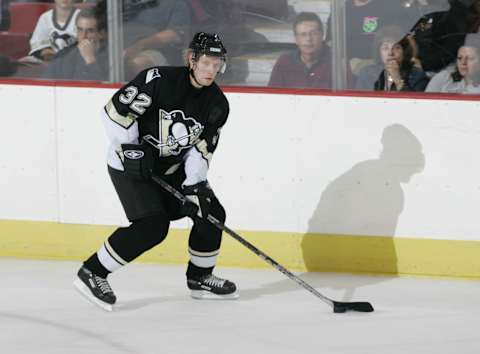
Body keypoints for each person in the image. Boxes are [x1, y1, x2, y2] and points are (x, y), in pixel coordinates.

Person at [73, 32, 237, 311]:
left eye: (216, 64)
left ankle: (199, 278)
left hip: (171, 169)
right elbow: (115, 112)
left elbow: (200, 149)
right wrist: (132, 150)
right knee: (152, 226)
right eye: (206, 62)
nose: (211, 70)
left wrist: (194, 186)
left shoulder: (218, 104)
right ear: (191, 60)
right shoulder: (158, 80)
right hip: (129, 165)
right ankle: (93, 272)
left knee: (210, 212)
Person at [122, 0, 191, 80]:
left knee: (138, 63)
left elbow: (175, 34)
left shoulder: (175, 3)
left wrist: (140, 45)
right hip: (118, 47)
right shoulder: (121, 4)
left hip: (155, 51)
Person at [268, 12, 332, 89]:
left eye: (314, 33)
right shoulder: (284, 63)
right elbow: (273, 96)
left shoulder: (336, 63)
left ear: (322, 35)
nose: (308, 39)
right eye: (303, 34)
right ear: (296, 39)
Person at [355, 26, 429, 91]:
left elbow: (416, 104)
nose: (390, 53)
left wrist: (397, 79)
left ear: (404, 52)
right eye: (385, 48)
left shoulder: (416, 75)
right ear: (379, 52)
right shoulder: (367, 73)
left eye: (396, 48)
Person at [43, 7, 108, 80]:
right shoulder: (63, 57)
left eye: (90, 31)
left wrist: (90, 60)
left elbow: (106, 89)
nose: (83, 36)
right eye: (80, 30)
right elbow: (47, 86)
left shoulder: (114, 59)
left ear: (102, 33)